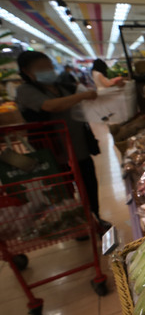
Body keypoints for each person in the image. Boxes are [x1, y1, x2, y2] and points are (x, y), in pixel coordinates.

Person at [15, 51, 112, 234]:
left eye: (49, 67)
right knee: (64, 190)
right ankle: (78, 224)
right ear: (27, 71)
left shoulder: (62, 87)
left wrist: (114, 86)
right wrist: (82, 96)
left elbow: (93, 96)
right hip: (53, 152)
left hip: (78, 146)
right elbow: (51, 106)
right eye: (41, 68)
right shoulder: (25, 91)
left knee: (90, 183)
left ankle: (97, 218)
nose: (48, 71)